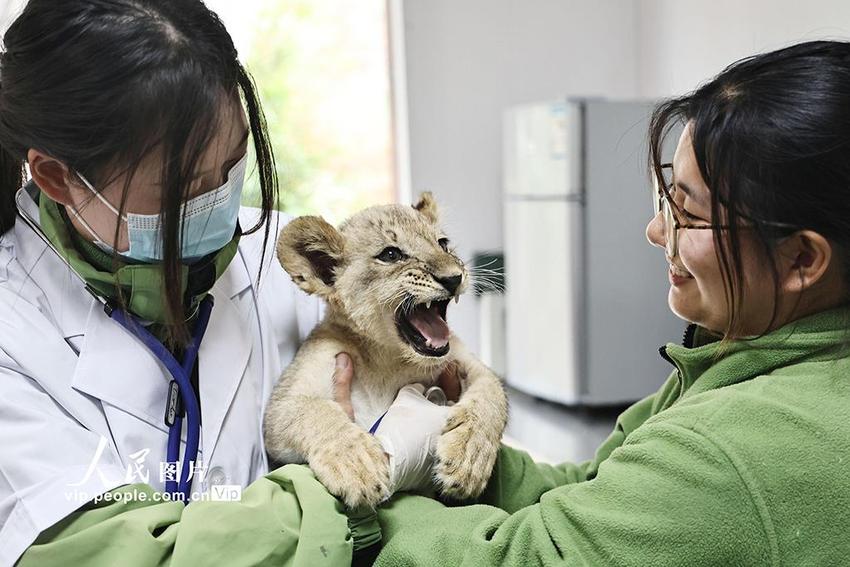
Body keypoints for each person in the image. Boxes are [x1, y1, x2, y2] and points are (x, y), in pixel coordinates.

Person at [331, 40, 850, 565]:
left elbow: (524, 559)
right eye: (666, 197)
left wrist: (377, 488)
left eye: (689, 215)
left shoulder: (730, 450)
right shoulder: (736, 355)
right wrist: (451, 445)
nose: (654, 230)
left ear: (801, 260)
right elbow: (594, 487)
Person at [0, 1, 448, 565]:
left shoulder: (293, 265)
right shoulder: (12, 332)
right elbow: (124, 554)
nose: (220, 204)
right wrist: (353, 470)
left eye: (232, 167)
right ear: (57, 177)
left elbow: (436, 402)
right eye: (182, 185)